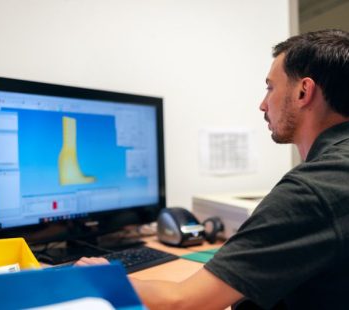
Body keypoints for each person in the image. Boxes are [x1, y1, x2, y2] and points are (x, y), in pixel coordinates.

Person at [75, 29, 349, 309]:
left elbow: (183, 302)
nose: (263, 104)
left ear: (304, 91)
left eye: (270, 88)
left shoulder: (313, 190)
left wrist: (105, 277)